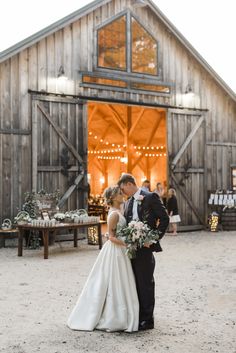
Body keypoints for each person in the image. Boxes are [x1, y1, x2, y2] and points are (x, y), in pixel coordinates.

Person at [67, 186, 139, 332]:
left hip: (120, 250)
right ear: (113, 197)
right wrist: (127, 244)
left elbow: (113, 234)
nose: (122, 194)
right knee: (114, 280)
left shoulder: (120, 210)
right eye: (119, 193)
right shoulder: (114, 215)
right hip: (115, 251)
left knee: (121, 280)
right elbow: (111, 237)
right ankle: (112, 315)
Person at [117, 173, 169, 331]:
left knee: (145, 283)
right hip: (131, 249)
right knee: (133, 283)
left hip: (145, 249)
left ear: (128, 184)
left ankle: (148, 320)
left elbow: (164, 218)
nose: (122, 192)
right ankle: (137, 316)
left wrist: (153, 239)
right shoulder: (127, 203)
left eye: (122, 188)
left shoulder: (150, 196)